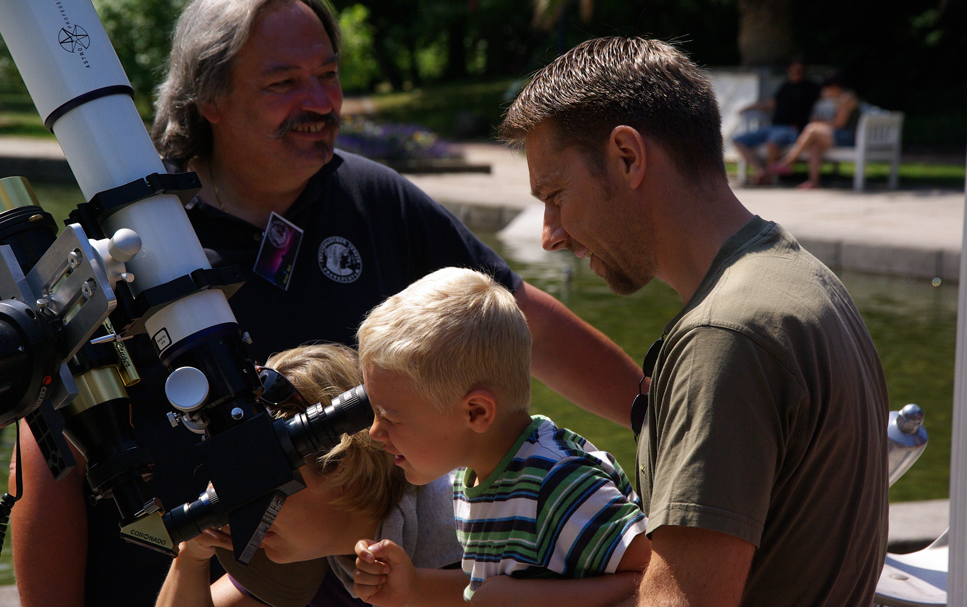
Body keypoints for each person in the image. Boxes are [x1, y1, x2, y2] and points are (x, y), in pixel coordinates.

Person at [10, 0, 643, 607]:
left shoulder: (377, 202)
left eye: (328, 75)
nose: (318, 102)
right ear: (212, 100)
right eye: (284, 83)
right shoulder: (127, 241)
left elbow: (527, 327)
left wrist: (669, 427)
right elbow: (52, 458)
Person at [498, 37, 889, 606]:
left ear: (628, 157)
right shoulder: (804, 280)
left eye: (556, 195)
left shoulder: (723, 337)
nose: (550, 234)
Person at [353, 267, 650, 607]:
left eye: (390, 417)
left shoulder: (559, 484)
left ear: (476, 412)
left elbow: (663, 572)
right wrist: (414, 588)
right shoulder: (475, 479)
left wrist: (525, 599)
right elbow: (488, 590)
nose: (374, 432)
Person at [155, 343, 462, 607]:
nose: (239, 499)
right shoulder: (310, 553)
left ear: (339, 464)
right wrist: (191, 557)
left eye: (257, 477)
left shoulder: (468, 516)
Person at [732, 59, 820, 185]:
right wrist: (751, 107)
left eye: (800, 70)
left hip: (792, 129)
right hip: (774, 127)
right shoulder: (785, 86)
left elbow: (825, 97)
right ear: (789, 70)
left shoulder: (811, 87)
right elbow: (772, 104)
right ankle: (760, 171)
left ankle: (768, 177)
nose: (796, 72)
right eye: (793, 69)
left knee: (773, 142)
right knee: (738, 140)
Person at [772, 73, 861, 189]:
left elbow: (839, 124)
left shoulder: (846, 99)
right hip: (842, 135)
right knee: (814, 146)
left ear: (834, 86)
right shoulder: (842, 99)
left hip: (849, 137)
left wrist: (820, 123)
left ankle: (789, 161)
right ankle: (813, 181)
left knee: (812, 129)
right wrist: (822, 122)